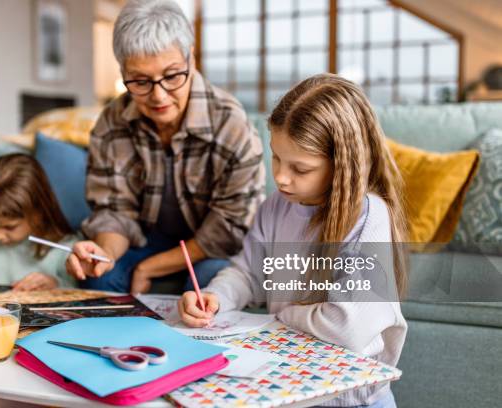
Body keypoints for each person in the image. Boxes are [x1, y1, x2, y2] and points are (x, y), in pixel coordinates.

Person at [179, 74, 408, 408]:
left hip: (353, 401)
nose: (281, 178)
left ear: (342, 166)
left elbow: (347, 326)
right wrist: (215, 297)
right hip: (291, 392)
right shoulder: (276, 206)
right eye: (276, 158)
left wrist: (283, 314)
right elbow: (247, 273)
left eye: (300, 169)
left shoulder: (368, 215)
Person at [66, 0, 265, 294]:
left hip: (210, 248)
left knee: (212, 282)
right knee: (99, 278)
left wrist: (152, 267)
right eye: (141, 81)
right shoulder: (111, 124)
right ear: (123, 72)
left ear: (191, 59)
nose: (158, 96)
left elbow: (228, 230)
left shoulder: (231, 124)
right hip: (146, 240)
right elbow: (115, 213)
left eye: (172, 76)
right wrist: (103, 253)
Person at [0, 153, 75, 290]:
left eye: (9, 227)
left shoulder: (66, 247)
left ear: (38, 213)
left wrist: (55, 285)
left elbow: (79, 297)